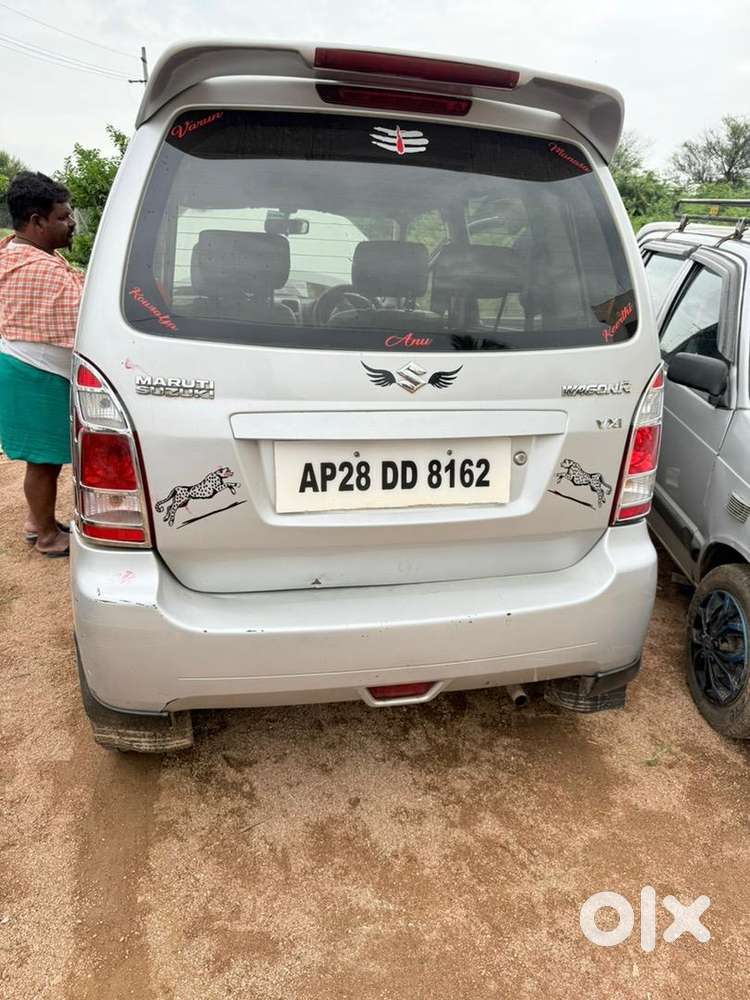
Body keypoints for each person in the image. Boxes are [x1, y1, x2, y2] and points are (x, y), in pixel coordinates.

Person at [0, 172, 84, 557]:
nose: (72, 223)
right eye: (63, 217)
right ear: (36, 221)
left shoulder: (19, 257)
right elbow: (82, 316)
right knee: (43, 462)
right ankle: (46, 535)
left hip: (29, 371)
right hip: (34, 374)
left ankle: (38, 522)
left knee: (44, 460)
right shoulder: (38, 269)